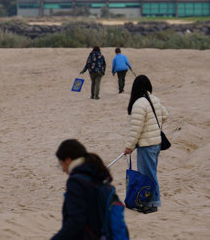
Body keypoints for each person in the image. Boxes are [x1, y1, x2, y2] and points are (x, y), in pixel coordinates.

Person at [123, 75, 169, 213]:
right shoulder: (154, 99)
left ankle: (152, 203)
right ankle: (149, 202)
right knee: (150, 173)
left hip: (147, 145)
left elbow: (135, 129)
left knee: (148, 175)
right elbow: (165, 115)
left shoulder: (139, 103)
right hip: (156, 144)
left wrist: (129, 147)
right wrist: (155, 126)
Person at [51, 139, 114, 239]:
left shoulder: (76, 182)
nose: (63, 169)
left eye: (61, 164)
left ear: (68, 160)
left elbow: (76, 221)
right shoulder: (98, 174)